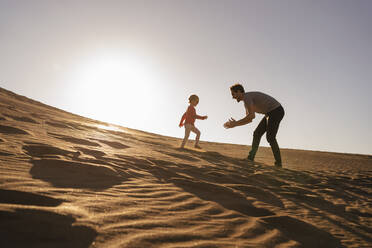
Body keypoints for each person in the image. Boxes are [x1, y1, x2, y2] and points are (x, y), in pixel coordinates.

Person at [224, 84, 285, 167]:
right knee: (257, 133)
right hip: (270, 113)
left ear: (238, 92)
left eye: (233, 94)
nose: (233, 97)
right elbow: (249, 119)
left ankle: (278, 164)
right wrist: (235, 124)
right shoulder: (246, 101)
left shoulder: (247, 98)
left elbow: (251, 116)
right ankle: (250, 158)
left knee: (270, 137)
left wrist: (235, 123)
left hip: (276, 111)